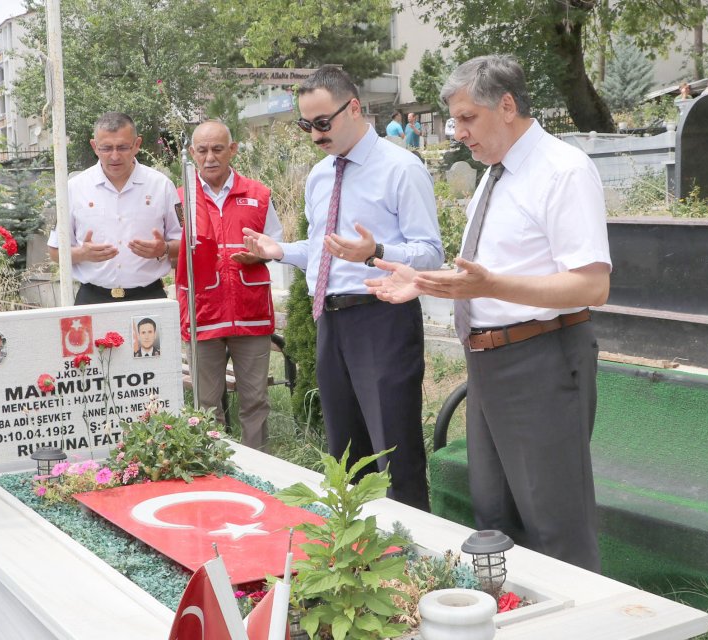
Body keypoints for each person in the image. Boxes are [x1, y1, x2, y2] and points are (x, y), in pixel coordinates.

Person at [366, 55, 611, 572]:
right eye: (454, 120)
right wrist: (425, 283)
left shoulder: (562, 170)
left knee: (554, 526)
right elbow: (487, 278)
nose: (458, 133)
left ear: (506, 106)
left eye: (466, 118)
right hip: (489, 363)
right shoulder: (494, 175)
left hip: (542, 359)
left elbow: (592, 285)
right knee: (495, 520)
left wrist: (491, 284)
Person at [242, 65, 444, 511]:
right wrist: (281, 250)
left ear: (353, 108)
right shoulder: (320, 175)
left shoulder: (400, 169)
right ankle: (357, 559)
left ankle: (413, 562)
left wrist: (376, 252)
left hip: (382, 317)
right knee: (347, 455)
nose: (314, 135)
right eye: (305, 125)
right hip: (331, 322)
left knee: (394, 452)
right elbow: (323, 249)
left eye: (322, 123)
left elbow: (431, 252)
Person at [175, 120, 282, 452]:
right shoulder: (180, 197)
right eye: (203, 150)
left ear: (232, 150)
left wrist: (259, 257)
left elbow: (276, 244)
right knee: (206, 406)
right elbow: (169, 250)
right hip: (202, 312)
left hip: (249, 312)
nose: (210, 157)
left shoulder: (258, 194)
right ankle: (216, 471)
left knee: (255, 401)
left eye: (218, 149)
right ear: (193, 153)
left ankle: (260, 471)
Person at [48, 112, 181, 305]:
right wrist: (82, 254)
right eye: (106, 148)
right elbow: (55, 252)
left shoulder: (161, 186)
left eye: (123, 147)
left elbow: (185, 243)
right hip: (92, 298)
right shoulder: (74, 188)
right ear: (94, 146)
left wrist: (165, 248)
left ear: (137, 145)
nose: (115, 156)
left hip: (148, 298)